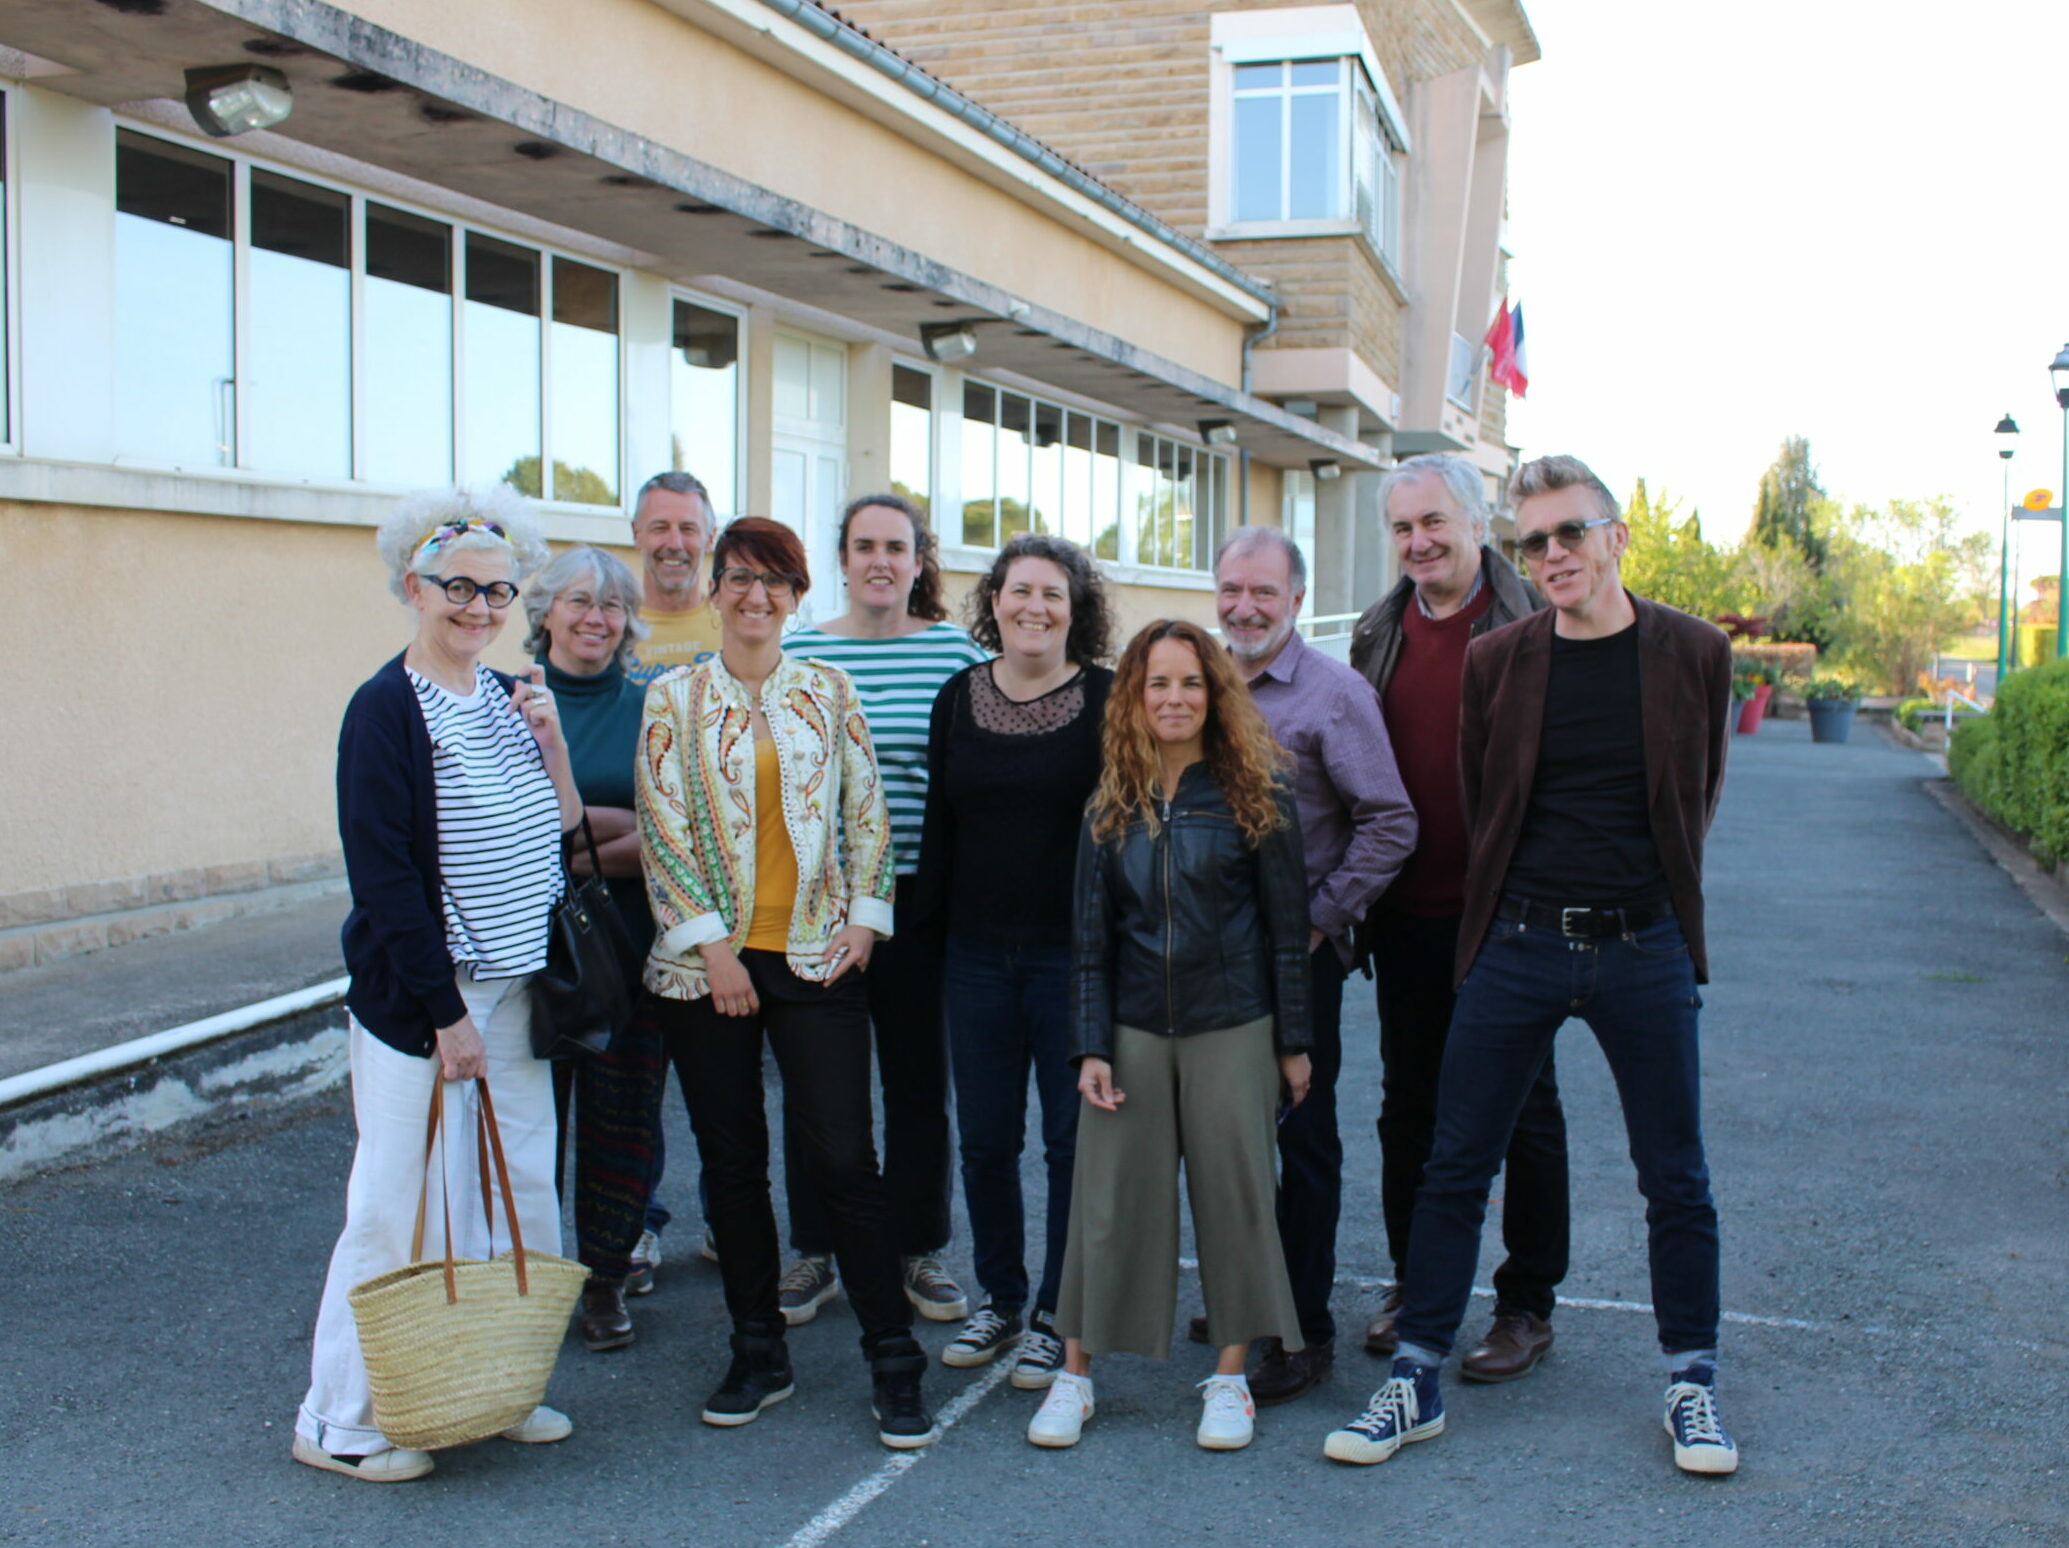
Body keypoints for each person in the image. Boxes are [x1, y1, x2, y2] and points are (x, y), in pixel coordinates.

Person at [1325, 455, 1739, 1476]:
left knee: (1673, 1176)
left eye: (1570, 533)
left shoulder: (1693, 650)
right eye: (1535, 540)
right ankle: (1414, 1373)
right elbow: (1484, 798)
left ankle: (1690, 1382)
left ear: (1614, 537)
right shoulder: (1498, 660)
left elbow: (1696, 796)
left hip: (1640, 946)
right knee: (1453, 1161)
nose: (1552, 555)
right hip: (1515, 940)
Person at [296, 485, 581, 1482]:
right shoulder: (383, 711)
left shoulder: (508, 698)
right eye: (457, 586)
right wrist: (442, 1014)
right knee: (394, 1204)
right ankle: (341, 1419)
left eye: (498, 591)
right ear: (413, 585)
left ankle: (498, 1384)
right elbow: (383, 880)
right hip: (427, 1000)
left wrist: (550, 745)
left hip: (511, 991)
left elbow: (557, 831)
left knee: (516, 1197)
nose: (478, 606)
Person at [636, 517, 937, 1450]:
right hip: (706, 969)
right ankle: (757, 1348)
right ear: (716, 590)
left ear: (797, 595)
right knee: (731, 1167)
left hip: (815, 955)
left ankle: (894, 1358)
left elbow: (866, 812)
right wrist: (716, 955)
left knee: (845, 1157)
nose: (755, 596)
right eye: (739, 578)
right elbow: (662, 832)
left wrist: (864, 918)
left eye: (775, 581)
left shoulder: (827, 690)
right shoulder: (672, 698)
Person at [1029, 619, 1313, 1453]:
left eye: (1191, 682)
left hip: (1234, 1024)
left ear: (1214, 693)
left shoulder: (1256, 792)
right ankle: (1074, 1376)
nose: (1175, 698)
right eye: (1158, 683)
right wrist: (1091, 1045)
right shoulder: (1109, 801)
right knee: (1106, 1205)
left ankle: (1229, 1380)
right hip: (1132, 1029)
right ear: (1135, 696)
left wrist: (1292, 1042)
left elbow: (1287, 932)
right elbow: (1089, 941)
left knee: (1237, 1201)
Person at [1347, 452, 1572, 1382]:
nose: (1418, 542)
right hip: (1406, 913)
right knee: (1410, 1108)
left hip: (1511, 916)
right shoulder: (1377, 630)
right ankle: (1416, 1280)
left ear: (1477, 523)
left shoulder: (1537, 620)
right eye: (1402, 528)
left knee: (1523, 1112)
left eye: (1433, 522)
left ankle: (1525, 1304)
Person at [1191, 527, 1416, 1406]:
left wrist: (1320, 923)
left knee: (1303, 1139)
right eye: (1230, 589)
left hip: (1295, 962)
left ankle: (1304, 1328)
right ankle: (1249, 1299)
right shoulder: (1198, 681)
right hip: (1202, 960)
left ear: (1294, 599)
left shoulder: (1333, 695)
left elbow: (1390, 820)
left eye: (1263, 592)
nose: (1243, 607)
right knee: (1225, 1140)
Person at [774, 495, 987, 1328]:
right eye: (864, 545)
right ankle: (814, 1250)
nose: (880, 561)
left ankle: (919, 1249)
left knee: (914, 1084)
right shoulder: (799, 654)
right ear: (842, 557)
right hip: (817, 908)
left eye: (895, 547)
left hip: (917, 908)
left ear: (918, 559)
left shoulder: (955, 655)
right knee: (818, 1089)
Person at [913, 534, 1114, 1391]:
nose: (1033, 607)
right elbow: (938, 826)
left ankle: (1055, 1318)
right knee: (988, 1141)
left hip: (1070, 960)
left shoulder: (1109, 700)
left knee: (1071, 1144)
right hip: (973, 957)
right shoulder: (956, 697)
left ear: (1077, 611)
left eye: (1052, 595)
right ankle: (1001, 1296)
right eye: (1018, 591)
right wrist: (922, 947)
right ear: (992, 600)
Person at [519, 547, 670, 1352]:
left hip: (627, 949)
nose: (596, 619)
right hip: (524, 953)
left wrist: (580, 839)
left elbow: (674, 835)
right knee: (527, 1123)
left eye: (612, 606)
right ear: (544, 612)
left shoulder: (654, 707)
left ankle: (605, 1282)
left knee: (623, 1121)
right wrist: (611, 829)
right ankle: (533, 1282)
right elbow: (500, 833)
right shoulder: (503, 705)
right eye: (578, 601)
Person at [629, 470, 723, 680]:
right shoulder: (611, 628)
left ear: (710, 538)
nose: (674, 544)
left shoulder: (734, 627)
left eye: (688, 529)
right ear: (637, 534)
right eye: (660, 528)